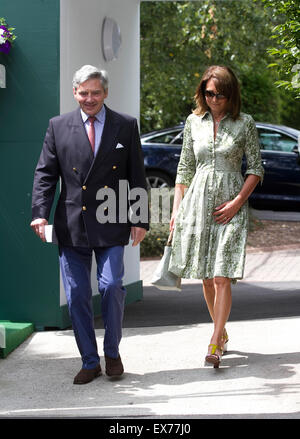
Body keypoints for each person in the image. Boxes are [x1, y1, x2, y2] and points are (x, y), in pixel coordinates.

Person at [30, 65, 149, 384]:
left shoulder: (125, 125)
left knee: (111, 286)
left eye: (96, 92)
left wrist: (139, 218)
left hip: (112, 220)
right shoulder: (58, 126)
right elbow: (45, 174)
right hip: (72, 224)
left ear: (105, 93)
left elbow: (136, 174)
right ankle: (89, 360)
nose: (90, 98)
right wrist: (40, 212)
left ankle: (112, 353)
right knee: (78, 293)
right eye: (84, 93)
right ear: (74, 93)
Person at [169, 65, 264, 368]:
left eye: (219, 94)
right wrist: (175, 212)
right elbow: (184, 170)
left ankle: (214, 341)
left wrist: (237, 202)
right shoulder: (193, 122)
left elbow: (256, 168)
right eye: (208, 93)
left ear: (230, 94)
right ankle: (221, 332)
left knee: (223, 275)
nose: (213, 99)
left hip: (230, 204)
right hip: (197, 203)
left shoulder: (244, 123)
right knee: (207, 278)